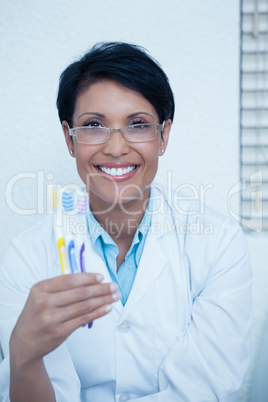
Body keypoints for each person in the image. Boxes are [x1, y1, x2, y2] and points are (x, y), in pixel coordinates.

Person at [0, 42, 252, 402]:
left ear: (164, 135)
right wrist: (23, 357)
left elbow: (204, 391)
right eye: (93, 125)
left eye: (137, 125)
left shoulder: (219, 245)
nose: (116, 148)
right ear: (68, 139)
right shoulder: (24, 259)